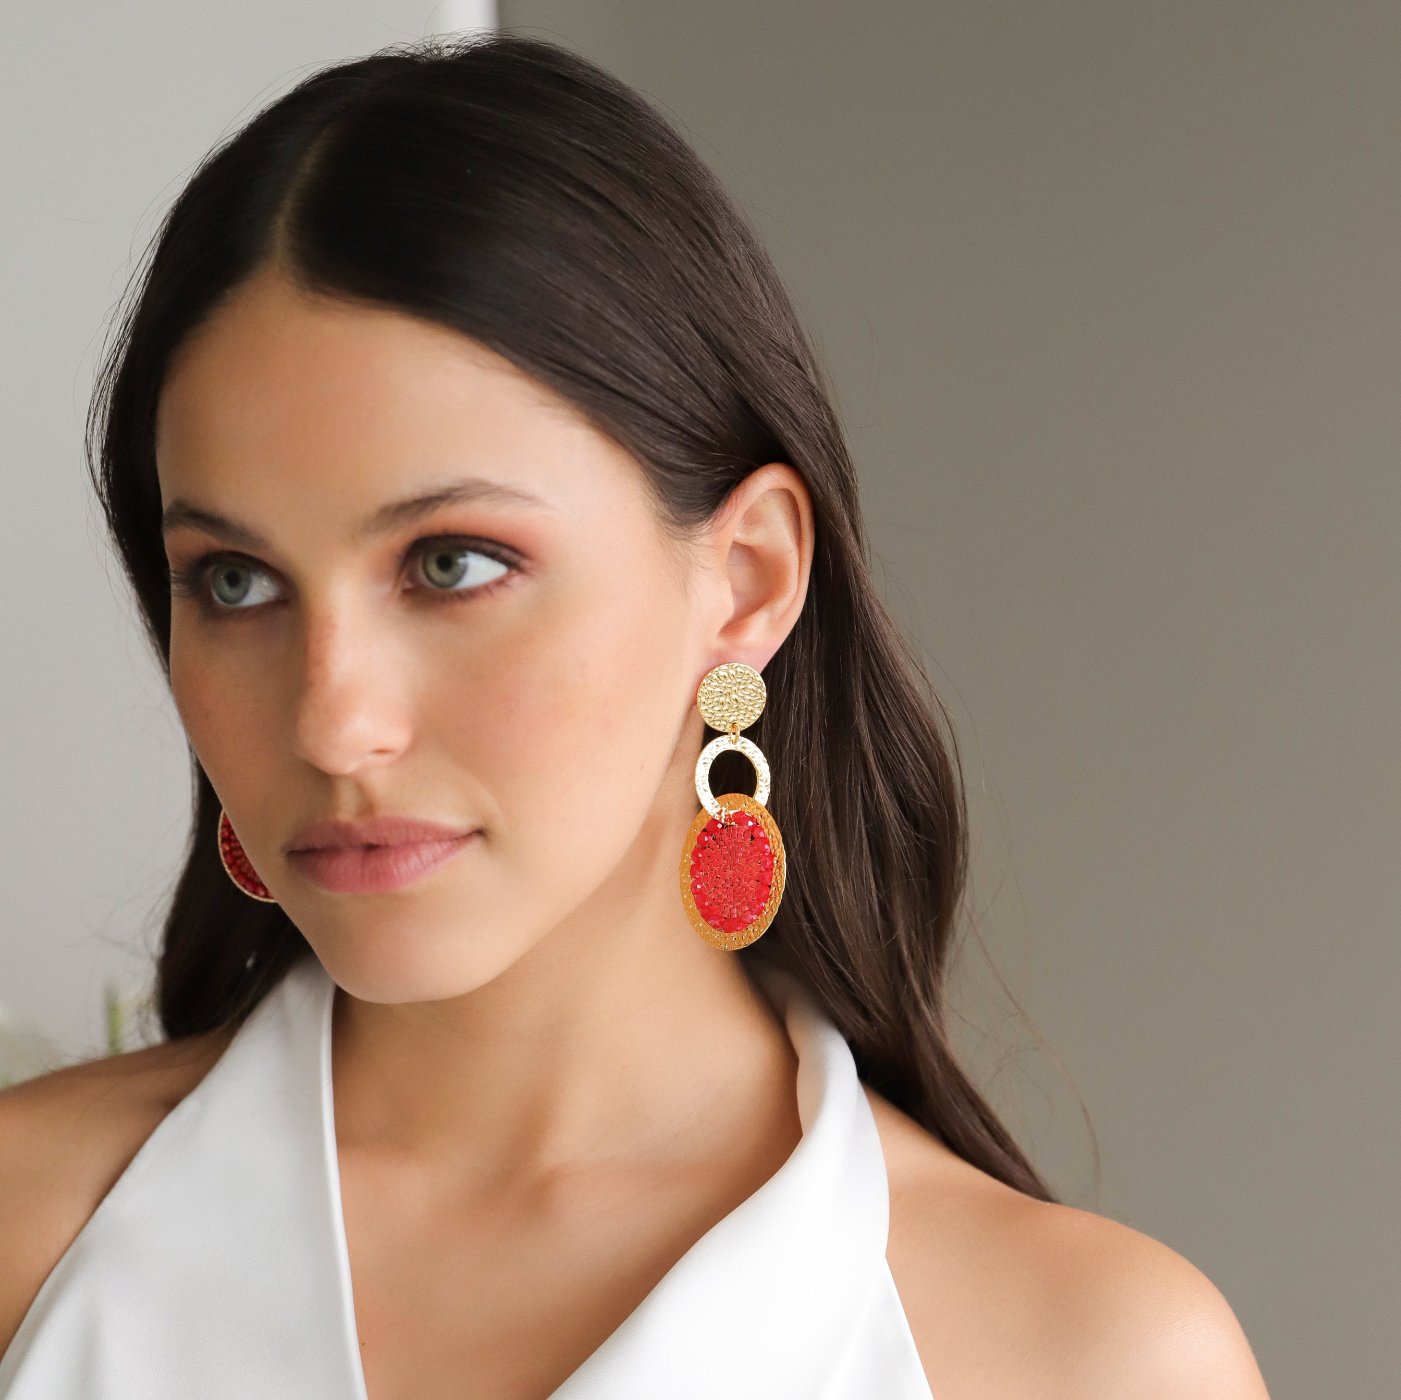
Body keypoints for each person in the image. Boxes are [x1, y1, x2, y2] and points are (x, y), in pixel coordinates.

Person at [0, 31, 1270, 1400]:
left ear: (747, 579)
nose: (332, 723)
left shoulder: (1081, 1358)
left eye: (452, 564)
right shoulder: (31, 1233)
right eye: (236, 582)